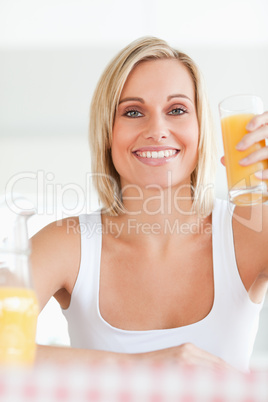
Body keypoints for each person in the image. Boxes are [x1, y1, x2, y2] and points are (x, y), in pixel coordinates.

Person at [32, 37, 268, 372]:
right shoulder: (67, 243)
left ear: (201, 129)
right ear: (108, 134)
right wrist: (142, 366)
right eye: (133, 112)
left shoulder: (250, 228)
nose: (157, 129)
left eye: (176, 110)